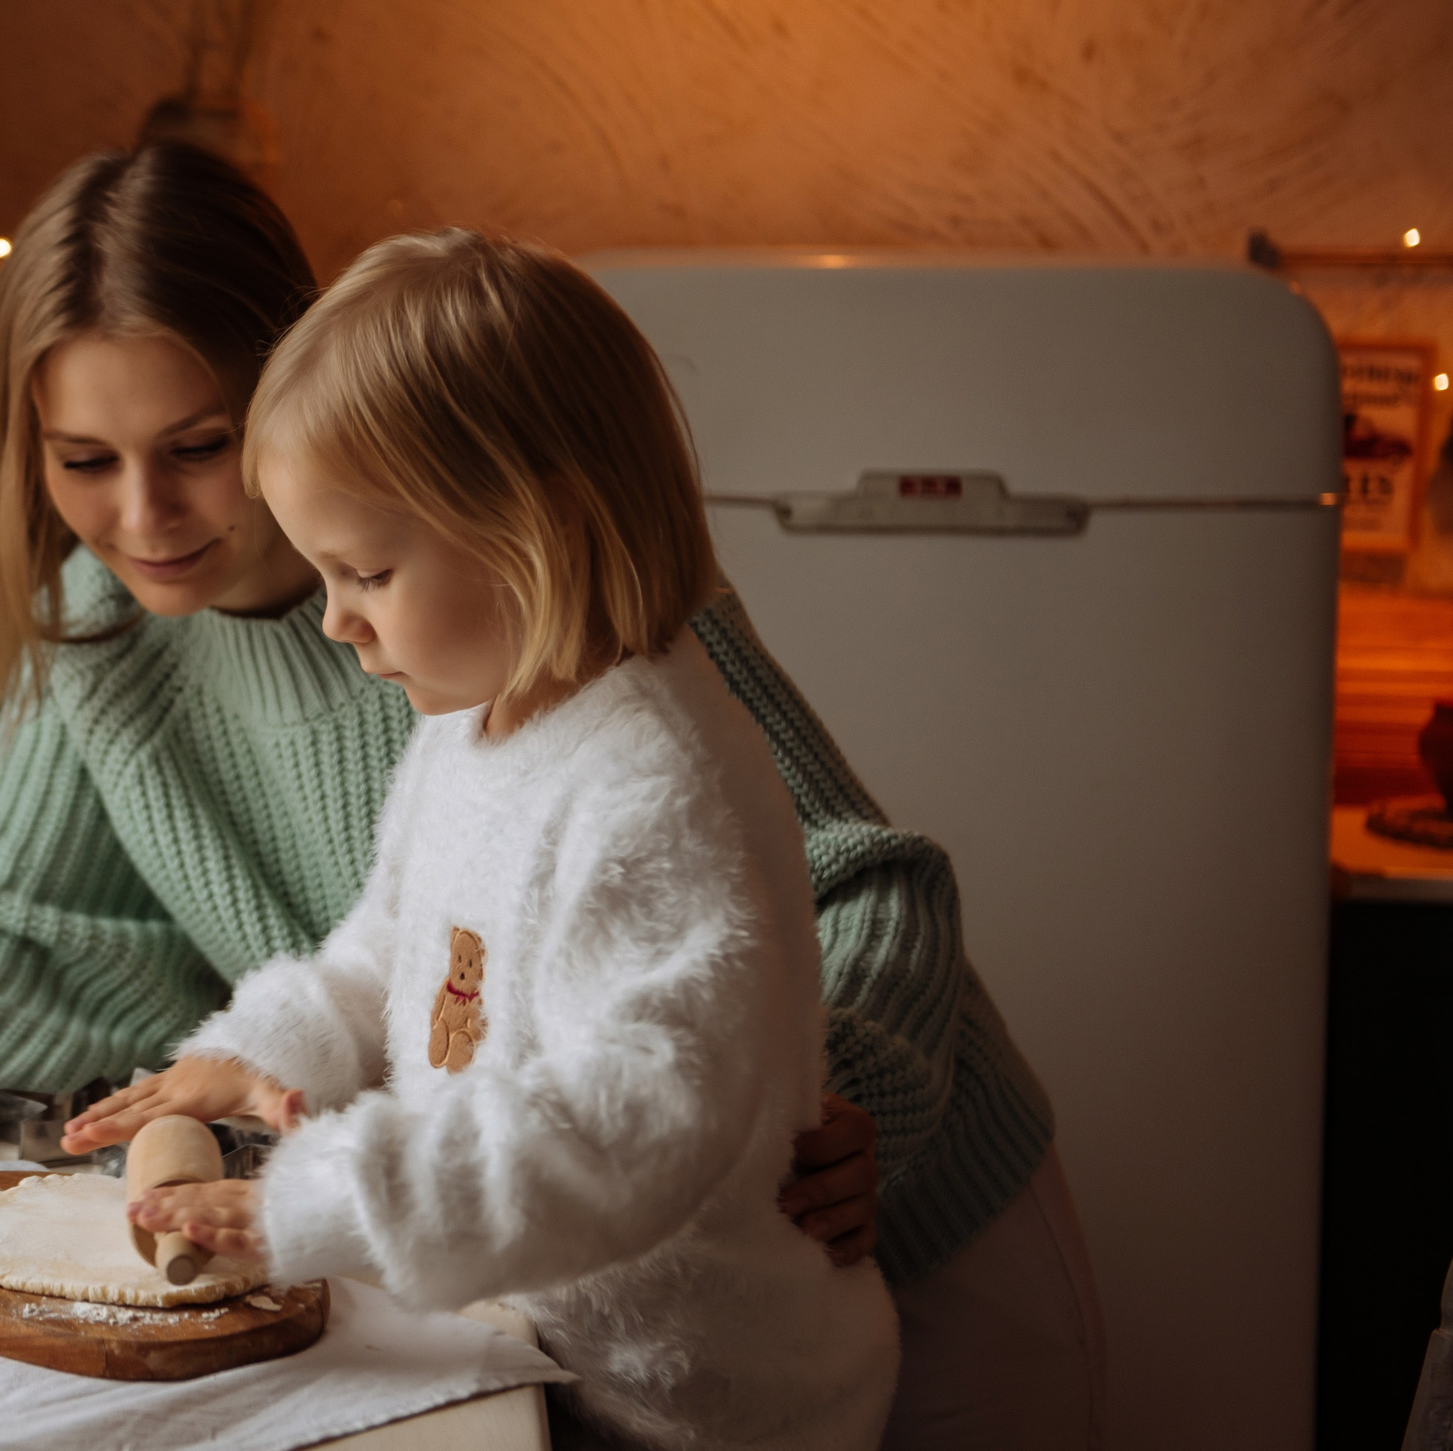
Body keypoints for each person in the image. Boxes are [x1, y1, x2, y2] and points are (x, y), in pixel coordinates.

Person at [0, 141, 1101, 1449]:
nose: (143, 516)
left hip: (864, 1238)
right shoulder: (112, 630)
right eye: (84, 459)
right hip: (583, 1284)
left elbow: (856, 883)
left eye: (199, 447)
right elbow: (20, 923)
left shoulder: (552, 615)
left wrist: (824, 1101)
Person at [69, 229, 898, 1448]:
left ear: (535, 526)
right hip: (535, 1345)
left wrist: (324, 1200)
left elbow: (628, 1117)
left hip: (696, 1398)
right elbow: (390, 950)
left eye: (367, 571)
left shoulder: (648, 782)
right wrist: (255, 1054)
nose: (337, 621)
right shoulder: (475, 718)